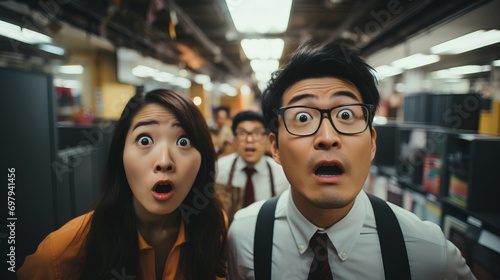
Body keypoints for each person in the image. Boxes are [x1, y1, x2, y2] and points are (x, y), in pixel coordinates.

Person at [227, 42, 475, 279]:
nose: (327, 137)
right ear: (276, 148)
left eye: (346, 114)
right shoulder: (245, 236)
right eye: (303, 118)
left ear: (372, 143)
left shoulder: (428, 251)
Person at [18, 89, 227, 280]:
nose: (164, 161)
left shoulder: (212, 227)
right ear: (121, 155)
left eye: (183, 142)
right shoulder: (61, 252)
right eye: (145, 140)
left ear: (203, 160)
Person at [215, 111, 288, 223]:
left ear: (267, 139)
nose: (250, 140)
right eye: (242, 133)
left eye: (257, 133)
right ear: (234, 139)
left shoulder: (282, 174)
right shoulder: (220, 169)